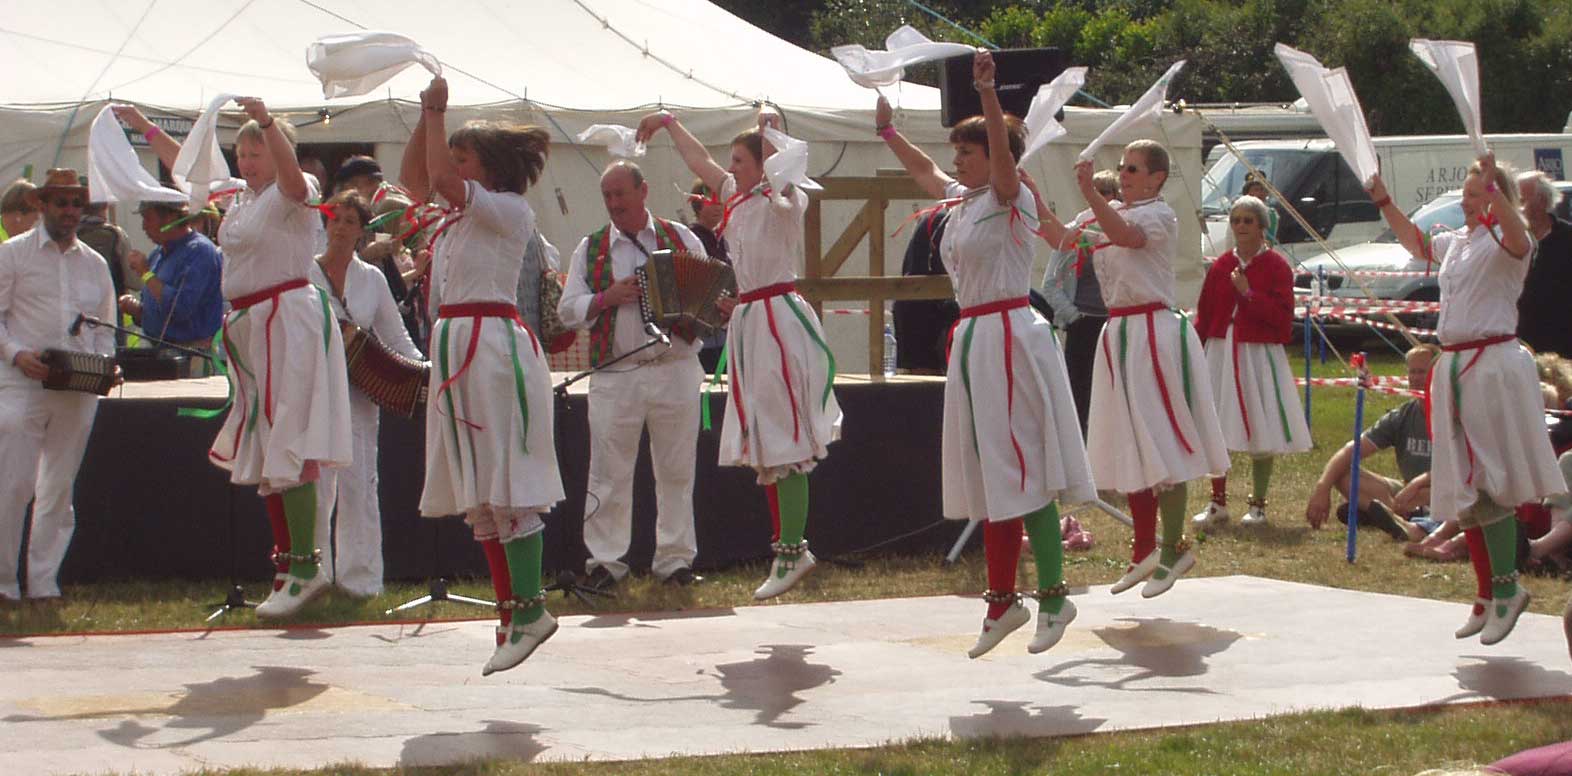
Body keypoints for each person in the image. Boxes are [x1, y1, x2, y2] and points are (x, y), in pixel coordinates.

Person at [874, 50, 1095, 658]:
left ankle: (1053, 596)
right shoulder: (963, 199)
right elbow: (924, 173)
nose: (956, 159)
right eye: (958, 152)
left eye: (965, 151)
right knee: (992, 472)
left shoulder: (1007, 193)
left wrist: (990, 95)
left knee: (1020, 470)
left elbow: (1002, 159)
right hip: (975, 337)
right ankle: (1002, 600)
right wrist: (889, 131)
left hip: (1007, 334)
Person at [114, 101, 353, 618]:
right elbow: (187, 170)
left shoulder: (296, 193)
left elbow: (291, 175)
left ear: (276, 150)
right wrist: (141, 124)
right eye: (241, 153)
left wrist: (268, 122)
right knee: (266, 443)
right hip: (251, 326)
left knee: (287, 436)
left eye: (256, 152)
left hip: (287, 319)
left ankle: (306, 566)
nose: (245, 161)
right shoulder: (242, 200)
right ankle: (288, 566)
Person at [635, 103, 842, 601]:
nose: (731, 170)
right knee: (766, 439)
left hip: (778, 322)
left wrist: (770, 132)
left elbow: (781, 184)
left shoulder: (784, 197)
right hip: (752, 320)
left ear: (765, 163)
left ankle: (793, 548)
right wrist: (668, 121)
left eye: (742, 161)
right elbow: (702, 163)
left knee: (786, 435)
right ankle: (787, 548)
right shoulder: (738, 197)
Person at [1368, 152, 1565, 645]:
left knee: (1488, 480)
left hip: (1491, 365)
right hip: (1456, 364)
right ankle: (1485, 590)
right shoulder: (1459, 241)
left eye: (1479, 192)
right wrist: (1384, 200)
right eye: (1468, 191)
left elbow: (1521, 237)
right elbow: (1414, 241)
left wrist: (1502, 201)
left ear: (1499, 198)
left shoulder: (1507, 243)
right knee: (1463, 483)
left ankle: (1506, 587)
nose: (1468, 199)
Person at [403, 76, 563, 675]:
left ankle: (530, 608)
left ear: (487, 170)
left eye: (462, 156)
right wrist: (426, 115)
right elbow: (418, 180)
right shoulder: (458, 213)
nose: (449, 162)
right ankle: (511, 610)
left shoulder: (506, 208)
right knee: (481, 491)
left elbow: (438, 179)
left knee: (506, 478)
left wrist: (440, 111)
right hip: (459, 344)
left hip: (490, 344)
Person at [1046, 139, 1231, 598]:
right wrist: (1024, 192)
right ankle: (1144, 547)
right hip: (1119, 333)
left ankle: (1174, 547)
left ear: (1156, 178)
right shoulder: (1106, 212)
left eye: (1133, 169)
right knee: (1129, 442)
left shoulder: (1158, 215)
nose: (1124, 175)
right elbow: (1060, 239)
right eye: (1122, 168)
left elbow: (1128, 238)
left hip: (1152, 330)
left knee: (1161, 438)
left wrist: (1091, 195)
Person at [558, 161, 709, 590]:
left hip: (675, 368)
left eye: (620, 193)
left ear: (644, 191)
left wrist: (714, 309)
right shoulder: (590, 248)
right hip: (616, 373)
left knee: (677, 469)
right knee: (608, 471)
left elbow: (709, 292)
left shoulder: (680, 237)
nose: (613, 203)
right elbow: (567, 310)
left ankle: (675, 562)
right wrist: (607, 297)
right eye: (607, 195)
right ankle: (606, 564)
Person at [0, 168, 117, 600]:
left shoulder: (95, 262)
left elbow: (107, 329)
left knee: (57, 488)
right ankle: (4, 583)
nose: (69, 211)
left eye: (76, 203)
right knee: (12, 484)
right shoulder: (12, 254)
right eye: (61, 202)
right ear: (42, 205)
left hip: (77, 386)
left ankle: (44, 581)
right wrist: (16, 354)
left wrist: (106, 365)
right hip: (21, 382)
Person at [308, 189, 425, 598]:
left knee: (360, 484)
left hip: (360, 394)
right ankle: (313, 575)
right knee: (317, 485)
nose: (340, 227)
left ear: (362, 232)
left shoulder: (371, 278)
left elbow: (398, 338)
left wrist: (425, 373)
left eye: (350, 222)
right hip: (314, 394)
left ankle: (360, 581)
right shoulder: (304, 274)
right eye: (335, 219)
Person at [1191, 195, 1310, 527]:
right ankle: (1217, 501)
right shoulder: (1219, 266)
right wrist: (1193, 348)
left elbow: (1283, 316)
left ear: (1262, 227)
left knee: (1261, 423)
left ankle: (1258, 504)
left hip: (1257, 351)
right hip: (1220, 348)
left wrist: (1248, 294)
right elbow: (1206, 312)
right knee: (1215, 423)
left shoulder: (1277, 267)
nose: (1240, 226)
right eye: (1236, 220)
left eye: (1248, 220)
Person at [1305, 345, 1436, 542]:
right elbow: (1351, 450)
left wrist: (1416, 486)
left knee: (1426, 494)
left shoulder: (1455, 415)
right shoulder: (1402, 415)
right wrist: (1322, 488)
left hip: (1443, 492)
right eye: (1412, 372)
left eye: (1422, 372)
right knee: (1343, 474)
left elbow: (1457, 469)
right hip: (1406, 492)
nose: (1416, 378)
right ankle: (1393, 515)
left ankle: (1387, 514)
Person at [1035, 169, 1118, 434]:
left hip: (1113, 322)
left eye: (1107, 193)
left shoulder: (1122, 231)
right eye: (1096, 193)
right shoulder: (1075, 231)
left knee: (1113, 391)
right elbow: (1050, 283)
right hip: (1083, 323)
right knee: (1080, 393)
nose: (1102, 199)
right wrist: (1073, 317)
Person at [117, 200, 224, 374]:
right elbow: (159, 312)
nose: (144, 227)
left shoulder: (199, 252)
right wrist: (137, 310)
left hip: (192, 359)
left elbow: (181, 308)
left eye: (148, 219)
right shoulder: (158, 254)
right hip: (160, 357)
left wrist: (146, 273)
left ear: (170, 218)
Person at [1515, 171, 1572, 358]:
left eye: (1521, 200)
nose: (1515, 207)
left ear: (1542, 202)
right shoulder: (1511, 241)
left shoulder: (1567, 238)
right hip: (1521, 346)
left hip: (1563, 347)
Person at [687, 179, 731, 373]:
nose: (717, 207)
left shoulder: (724, 239)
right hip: (702, 331)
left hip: (725, 326)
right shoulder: (691, 237)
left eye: (720, 202)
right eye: (711, 201)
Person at [76, 200, 134, 299]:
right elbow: (133, 282)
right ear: (105, 206)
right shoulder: (117, 234)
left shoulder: (68, 234)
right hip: (111, 303)